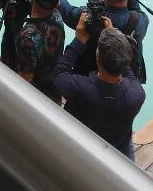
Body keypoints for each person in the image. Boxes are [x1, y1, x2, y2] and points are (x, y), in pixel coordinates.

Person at [12, 0, 70, 191]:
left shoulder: (26, 37)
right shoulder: (58, 20)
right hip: (53, 94)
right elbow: (49, 5)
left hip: (35, 96)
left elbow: (25, 78)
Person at [52, 22, 146, 158]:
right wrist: (114, 35)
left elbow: (59, 73)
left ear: (98, 58)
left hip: (82, 150)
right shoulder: (137, 94)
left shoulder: (80, 89)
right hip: (118, 152)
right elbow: (127, 71)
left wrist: (79, 40)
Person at [68, 0, 149, 81]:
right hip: (126, 83)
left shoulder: (87, 16)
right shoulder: (141, 21)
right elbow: (135, 9)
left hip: (90, 81)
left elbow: (63, 6)